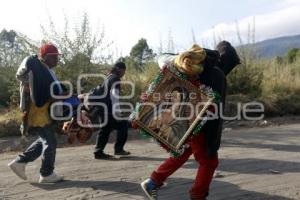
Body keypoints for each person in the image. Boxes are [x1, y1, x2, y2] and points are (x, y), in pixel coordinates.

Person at [138, 44, 227, 200]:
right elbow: (214, 112)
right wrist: (212, 142)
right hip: (198, 127)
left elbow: (163, 58)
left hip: (182, 122)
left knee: (183, 153)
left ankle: (153, 182)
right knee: (209, 161)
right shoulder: (216, 75)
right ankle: (197, 196)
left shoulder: (181, 64)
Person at [8, 43, 65, 183]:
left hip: (44, 112)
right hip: (38, 113)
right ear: (44, 57)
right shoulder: (38, 69)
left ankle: (20, 162)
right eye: (54, 57)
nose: (57, 60)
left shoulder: (47, 70)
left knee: (45, 140)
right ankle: (46, 174)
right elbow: (39, 96)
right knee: (50, 141)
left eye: (57, 57)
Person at [91, 62, 130, 159]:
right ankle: (118, 149)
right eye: (124, 70)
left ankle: (98, 152)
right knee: (123, 124)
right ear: (120, 69)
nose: (124, 73)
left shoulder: (109, 77)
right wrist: (117, 112)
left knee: (105, 129)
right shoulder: (116, 79)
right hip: (108, 109)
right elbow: (114, 96)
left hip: (102, 108)